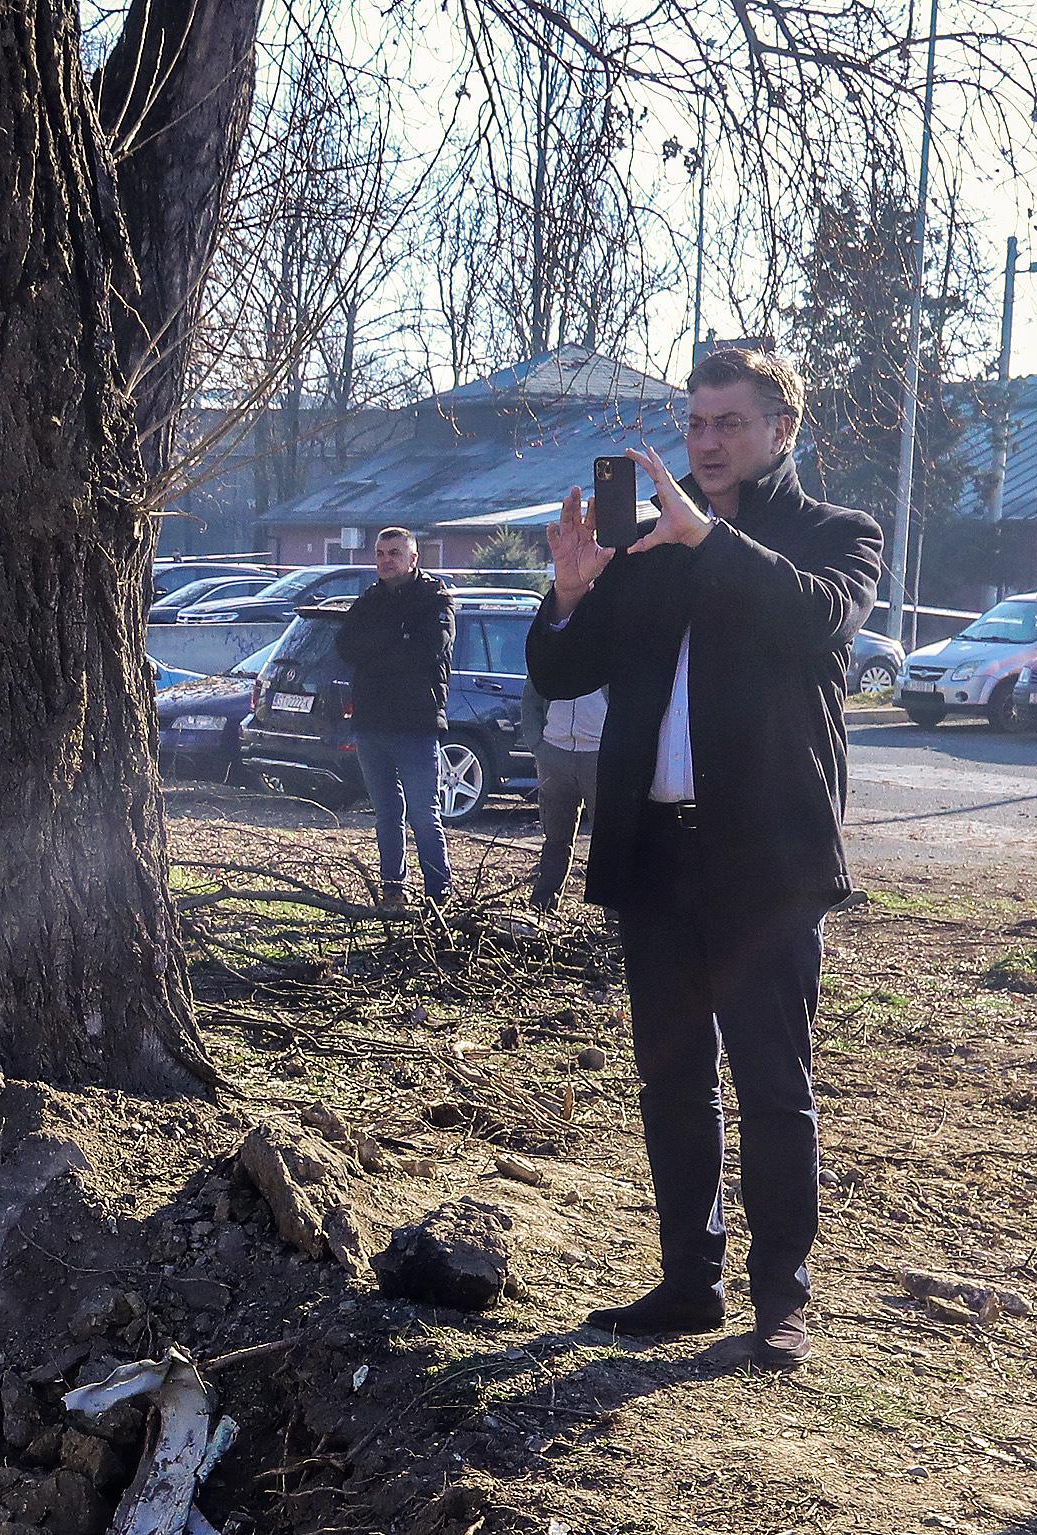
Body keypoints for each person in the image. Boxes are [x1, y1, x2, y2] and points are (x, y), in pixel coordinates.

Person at [527, 343, 881, 1372]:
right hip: (655, 853)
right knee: (669, 1079)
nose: (708, 442)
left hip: (764, 863)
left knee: (774, 1086)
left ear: (782, 430)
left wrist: (708, 541)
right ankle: (690, 1284)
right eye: (695, 423)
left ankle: (783, 1301)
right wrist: (571, 592)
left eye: (730, 422)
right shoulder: (653, 545)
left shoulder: (834, 535)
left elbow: (821, 622)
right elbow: (563, 670)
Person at [340, 527, 453, 911]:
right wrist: (396, 638)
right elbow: (345, 646)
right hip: (371, 726)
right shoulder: (369, 601)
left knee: (424, 814)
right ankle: (393, 891)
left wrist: (379, 650)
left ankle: (439, 895)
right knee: (387, 814)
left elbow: (428, 651)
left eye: (394, 553)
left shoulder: (434, 600)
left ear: (413, 558)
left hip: (416, 726)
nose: (386, 560)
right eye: (380, 553)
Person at [525, 675, 606, 915]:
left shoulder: (612, 643)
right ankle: (543, 905)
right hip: (553, 751)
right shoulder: (555, 643)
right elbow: (531, 694)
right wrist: (537, 744)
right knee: (555, 836)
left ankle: (612, 914)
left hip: (599, 752)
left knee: (608, 838)